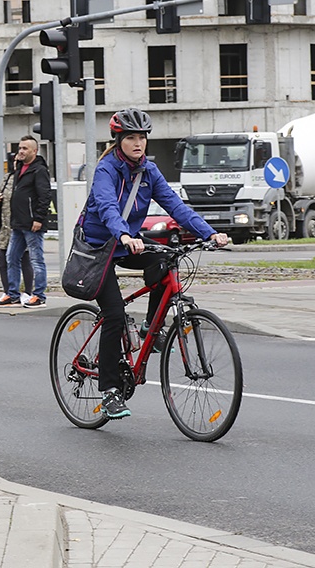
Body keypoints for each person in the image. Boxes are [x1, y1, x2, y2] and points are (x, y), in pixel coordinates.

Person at [80, 108, 229, 419]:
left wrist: (210, 233)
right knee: (114, 314)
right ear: (119, 140)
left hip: (126, 243)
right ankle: (108, 391)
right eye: (131, 138)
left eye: (142, 137)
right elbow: (107, 206)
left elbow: (175, 205)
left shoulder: (148, 171)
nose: (139, 143)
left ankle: (152, 326)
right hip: (99, 246)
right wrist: (122, 235)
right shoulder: (106, 170)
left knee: (165, 259)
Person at [0, 135, 50, 308]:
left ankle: (39, 295)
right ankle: (13, 294)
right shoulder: (20, 170)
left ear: (34, 151)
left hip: (31, 224)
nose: (21, 151)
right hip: (17, 223)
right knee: (11, 258)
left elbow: (45, 196)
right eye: (20, 148)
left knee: (36, 259)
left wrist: (38, 218)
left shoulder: (39, 170)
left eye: (25, 148)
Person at [0, 159, 35, 306]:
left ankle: (28, 292)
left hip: (21, 225)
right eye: (16, 161)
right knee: (2, 259)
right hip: (5, 227)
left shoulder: (28, 178)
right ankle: (9, 292)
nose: (18, 163)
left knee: (24, 259)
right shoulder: (8, 177)